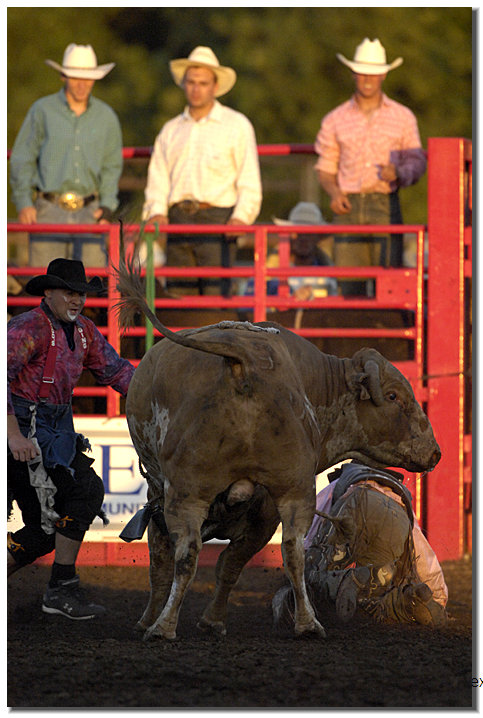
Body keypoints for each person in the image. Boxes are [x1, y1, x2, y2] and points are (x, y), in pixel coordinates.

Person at [7, 259, 135, 619]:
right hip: (23, 430)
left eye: (81, 294)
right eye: (69, 292)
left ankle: (60, 587)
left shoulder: (84, 332)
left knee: (46, 530)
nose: (77, 300)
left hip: (53, 431)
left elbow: (116, 371)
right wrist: (13, 435)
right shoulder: (28, 327)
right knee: (82, 494)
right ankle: (61, 587)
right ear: (48, 293)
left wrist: (157, 393)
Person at [142, 46, 262, 297]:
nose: (196, 89)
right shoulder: (170, 130)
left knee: (215, 298)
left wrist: (241, 217)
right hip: (178, 218)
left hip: (218, 219)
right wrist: (157, 211)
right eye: (191, 82)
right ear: (184, 85)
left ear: (215, 87)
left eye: (203, 83)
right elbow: (158, 177)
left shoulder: (236, 125)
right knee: (179, 297)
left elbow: (249, 178)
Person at [272, 461, 448, 628]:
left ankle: (343, 580)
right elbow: (422, 554)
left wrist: (303, 571)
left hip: (356, 502)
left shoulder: (338, 484)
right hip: (397, 518)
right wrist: (438, 597)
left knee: (312, 575)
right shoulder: (398, 495)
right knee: (378, 591)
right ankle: (408, 601)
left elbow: (308, 533)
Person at [315, 38, 427, 295]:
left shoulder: (402, 117)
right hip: (348, 204)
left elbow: (416, 161)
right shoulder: (334, 119)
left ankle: (382, 322)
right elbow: (326, 166)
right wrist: (334, 192)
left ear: (383, 75)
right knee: (349, 285)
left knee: (389, 285)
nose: (367, 79)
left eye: (373, 74)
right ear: (354, 74)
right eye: (362, 73)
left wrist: (398, 172)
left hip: (384, 201)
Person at [9, 44, 123, 268]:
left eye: (87, 78)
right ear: (63, 77)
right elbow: (23, 156)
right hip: (48, 209)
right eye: (75, 77)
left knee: (91, 279)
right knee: (46, 279)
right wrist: (24, 201)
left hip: (91, 211)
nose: (82, 84)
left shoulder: (106, 116)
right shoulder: (42, 110)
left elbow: (112, 165)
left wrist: (108, 206)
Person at [243, 202, 337, 301]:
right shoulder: (271, 271)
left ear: (318, 237)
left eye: (309, 233)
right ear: (289, 235)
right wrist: (289, 297)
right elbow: (250, 300)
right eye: (297, 232)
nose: (303, 238)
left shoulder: (328, 273)